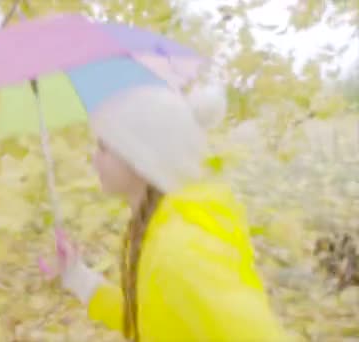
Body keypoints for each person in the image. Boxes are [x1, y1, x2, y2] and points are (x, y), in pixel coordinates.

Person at [40, 83, 290, 341]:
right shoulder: (154, 232)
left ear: (139, 156)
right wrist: (78, 278)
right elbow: (148, 323)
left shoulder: (180, 249)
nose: (94, 159)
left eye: (104, 147)